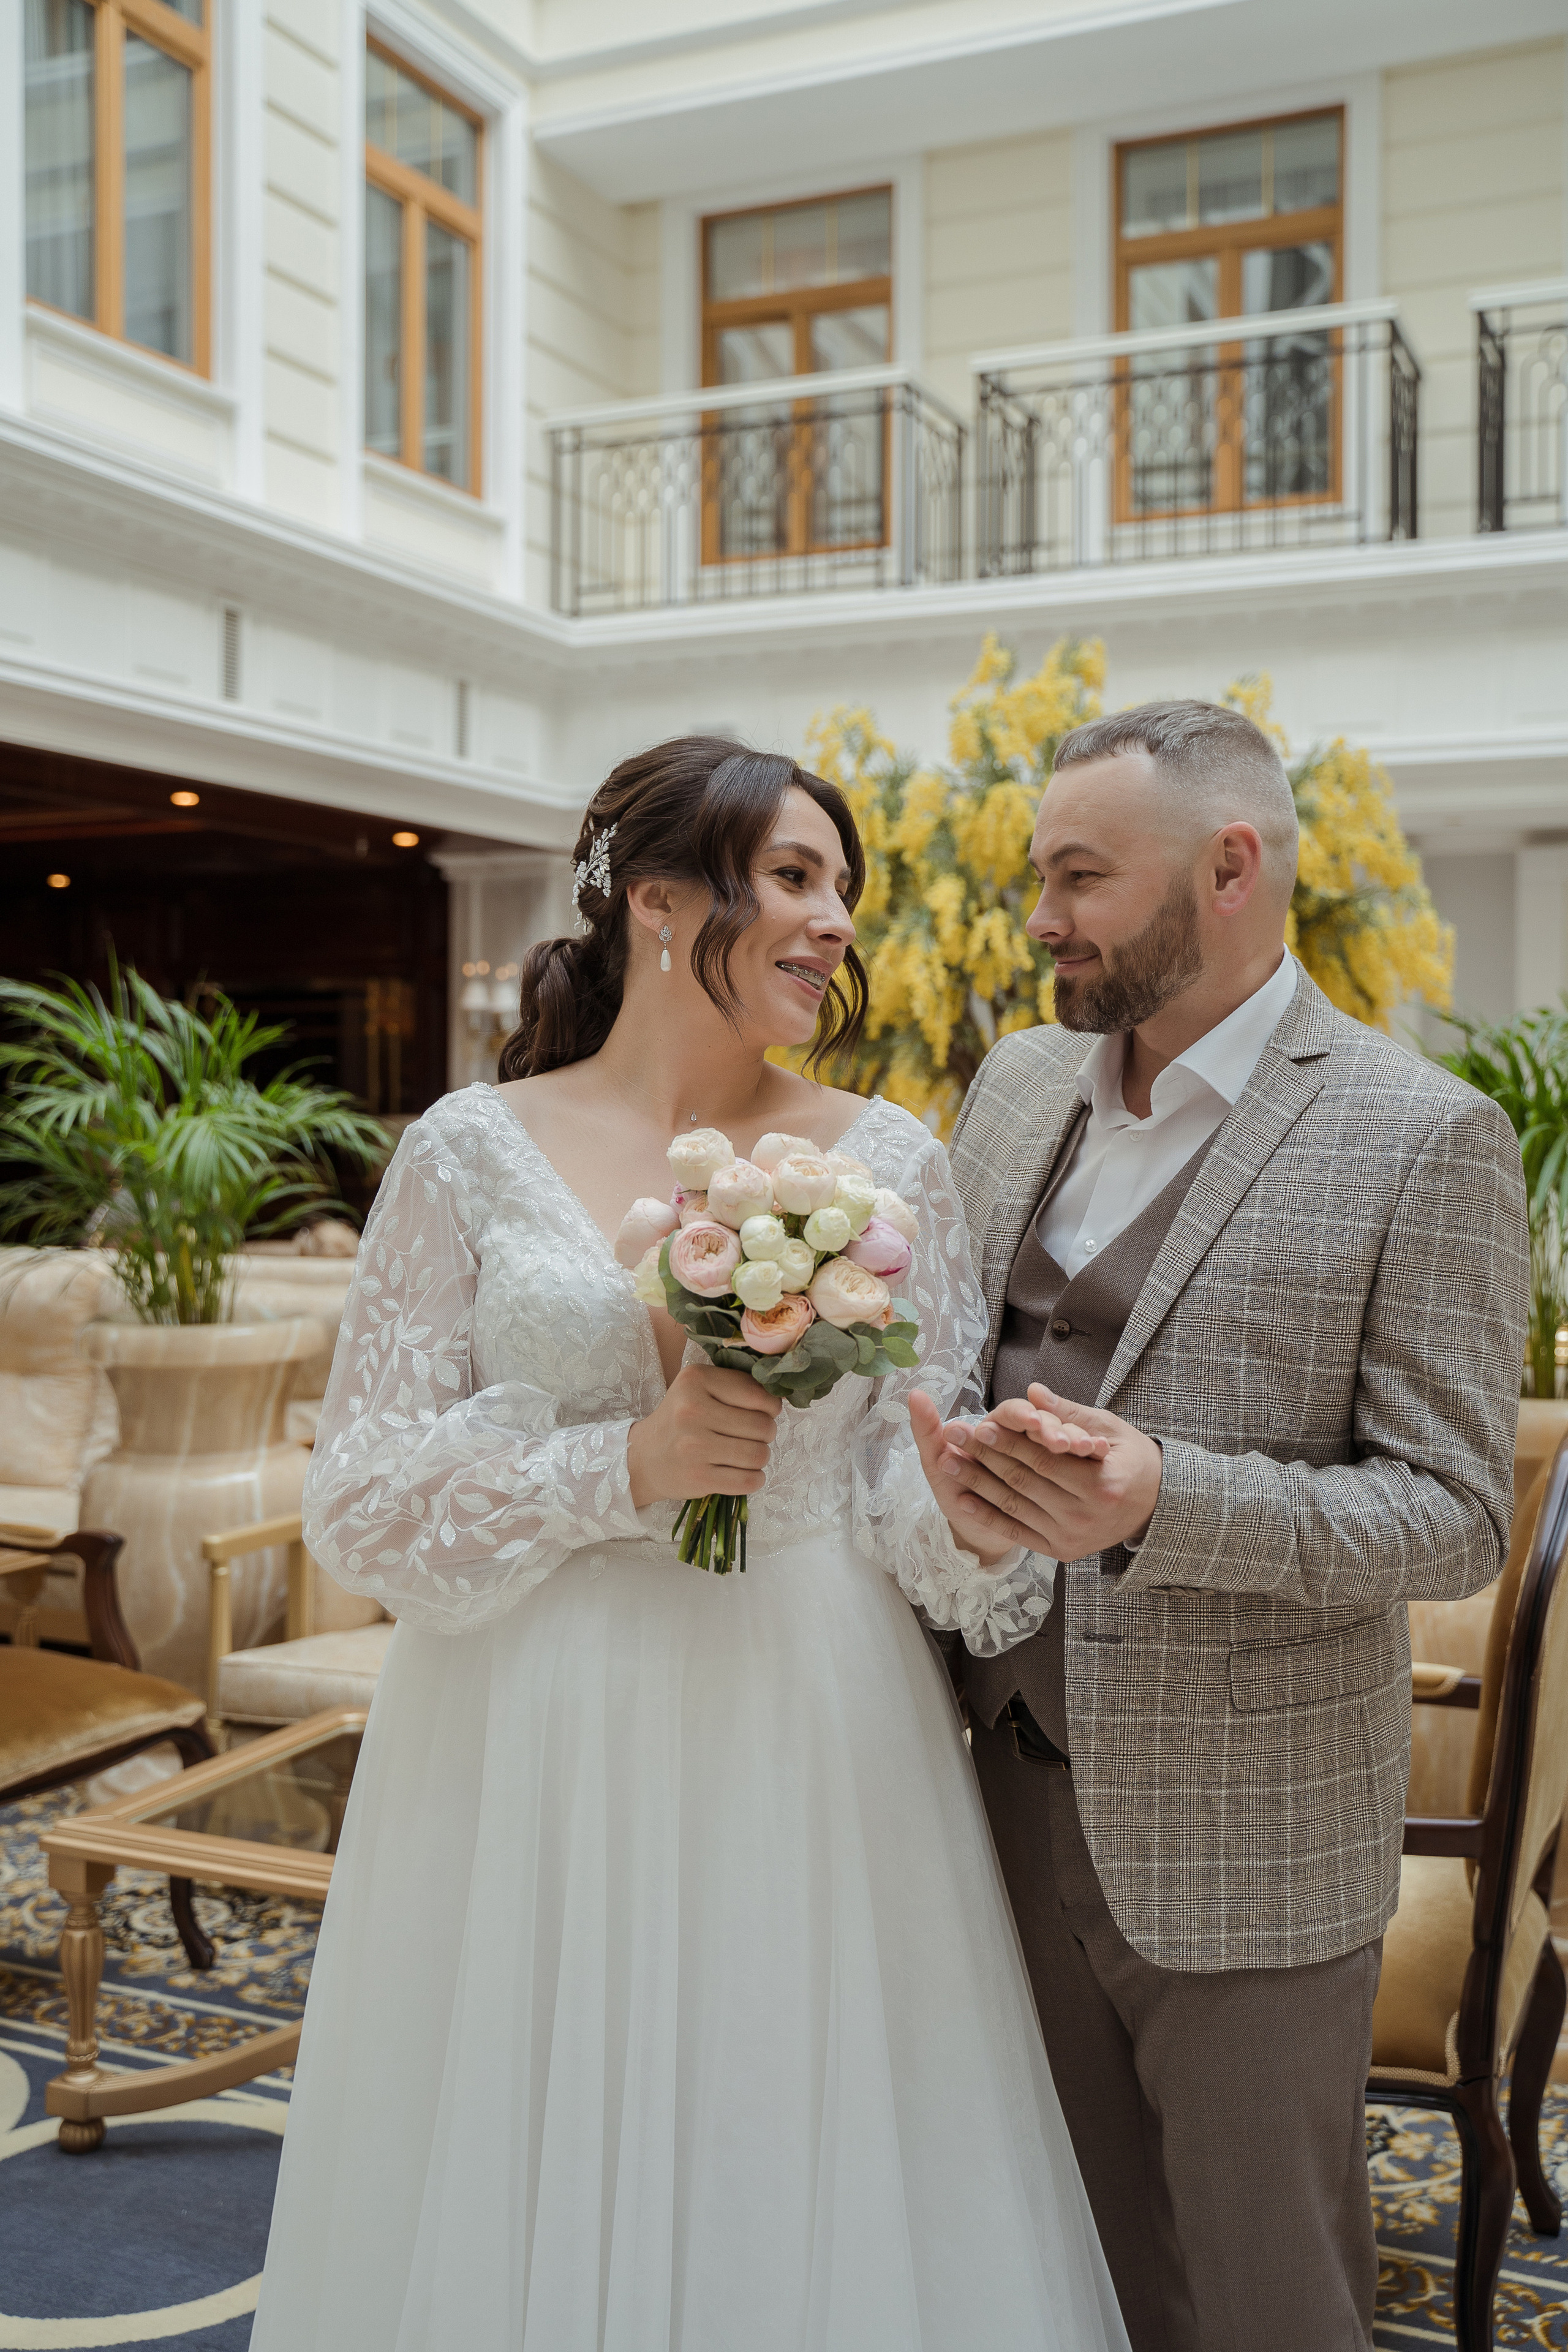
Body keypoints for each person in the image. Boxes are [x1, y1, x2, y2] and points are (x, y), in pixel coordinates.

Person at [249, 739, 1129, 2352]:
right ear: (659, 903)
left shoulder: (892, 1160)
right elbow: (358, 1501)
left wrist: (966, 1500)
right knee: (523, 2115)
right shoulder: (466, 1148)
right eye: (795, 878)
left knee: (782, 2116)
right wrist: (625, 1466)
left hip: (806, 1717)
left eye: (842, 889)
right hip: (531, 1727)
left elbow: (900, 1502)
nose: (835, 921)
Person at [909, 700, 1529, 2352]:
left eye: (1080, 877)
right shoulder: (1020, 1082)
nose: (1038, 917)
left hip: (1242, 1846)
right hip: (991, 1787)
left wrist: (1168, 1498)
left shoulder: (1422, 1136)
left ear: (1233, 867)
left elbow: (1458, 1514)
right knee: (1072, 2273)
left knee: (1268, 2305)